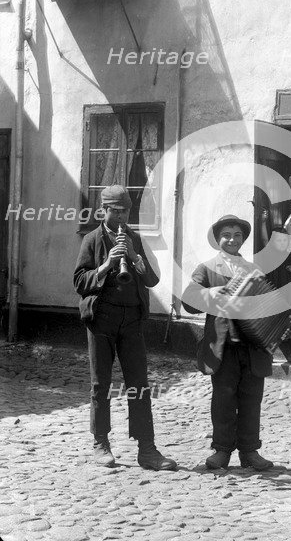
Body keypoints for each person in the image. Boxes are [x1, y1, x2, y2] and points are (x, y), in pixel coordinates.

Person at [73, 185, 177, 471]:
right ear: (103, 210)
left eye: (125, 211)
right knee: (101, 384)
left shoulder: (134, 239)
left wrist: (134, 256)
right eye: (114, 211)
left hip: (131, 319)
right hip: (101, 319)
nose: (120, 216)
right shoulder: (92, 239)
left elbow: (152, 281)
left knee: (139, 385)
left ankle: (147, 449)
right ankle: (101, 443)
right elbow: (80, 282)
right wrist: (107, 265)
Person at [181, 215, 275, 471]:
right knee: (223, 400)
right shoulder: (207, 269)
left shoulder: (254, 270)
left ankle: (250, 451)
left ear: (243, 239)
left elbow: (268, 306)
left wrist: (277, 326)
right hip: (223, 347)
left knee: (251, 399)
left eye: (237, 235)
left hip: (252, 346)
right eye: (226, 235)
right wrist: (207, 294)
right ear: (218, 240)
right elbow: (187, 301)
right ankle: (222, 451)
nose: (232, 240)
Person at [258, 213, 291, 364]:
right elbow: (264, 239)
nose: (282, 243)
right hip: (274, 294)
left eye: (285, 240)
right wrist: (263, 222)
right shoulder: (270, 254)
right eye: (278, 240)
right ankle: (269, 353)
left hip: (288, 295)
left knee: (289, 324)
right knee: (272, 324)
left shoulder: (289, 256)